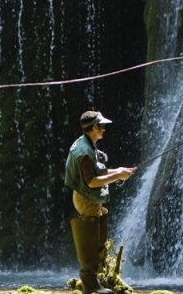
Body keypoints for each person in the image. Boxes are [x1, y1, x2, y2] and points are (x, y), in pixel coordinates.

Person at [65, 111, 136, 294]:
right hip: (86, 198)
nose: (104, 128)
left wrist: (119, 171)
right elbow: (92, 181)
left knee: (97, 240)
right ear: (94, 127)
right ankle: (90, 286)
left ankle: (98, 280)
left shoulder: (89, 145)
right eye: (102, 125)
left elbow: (99, 172)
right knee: (89, 241)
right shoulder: (85, 153)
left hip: (90, 198)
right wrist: (118, 176)